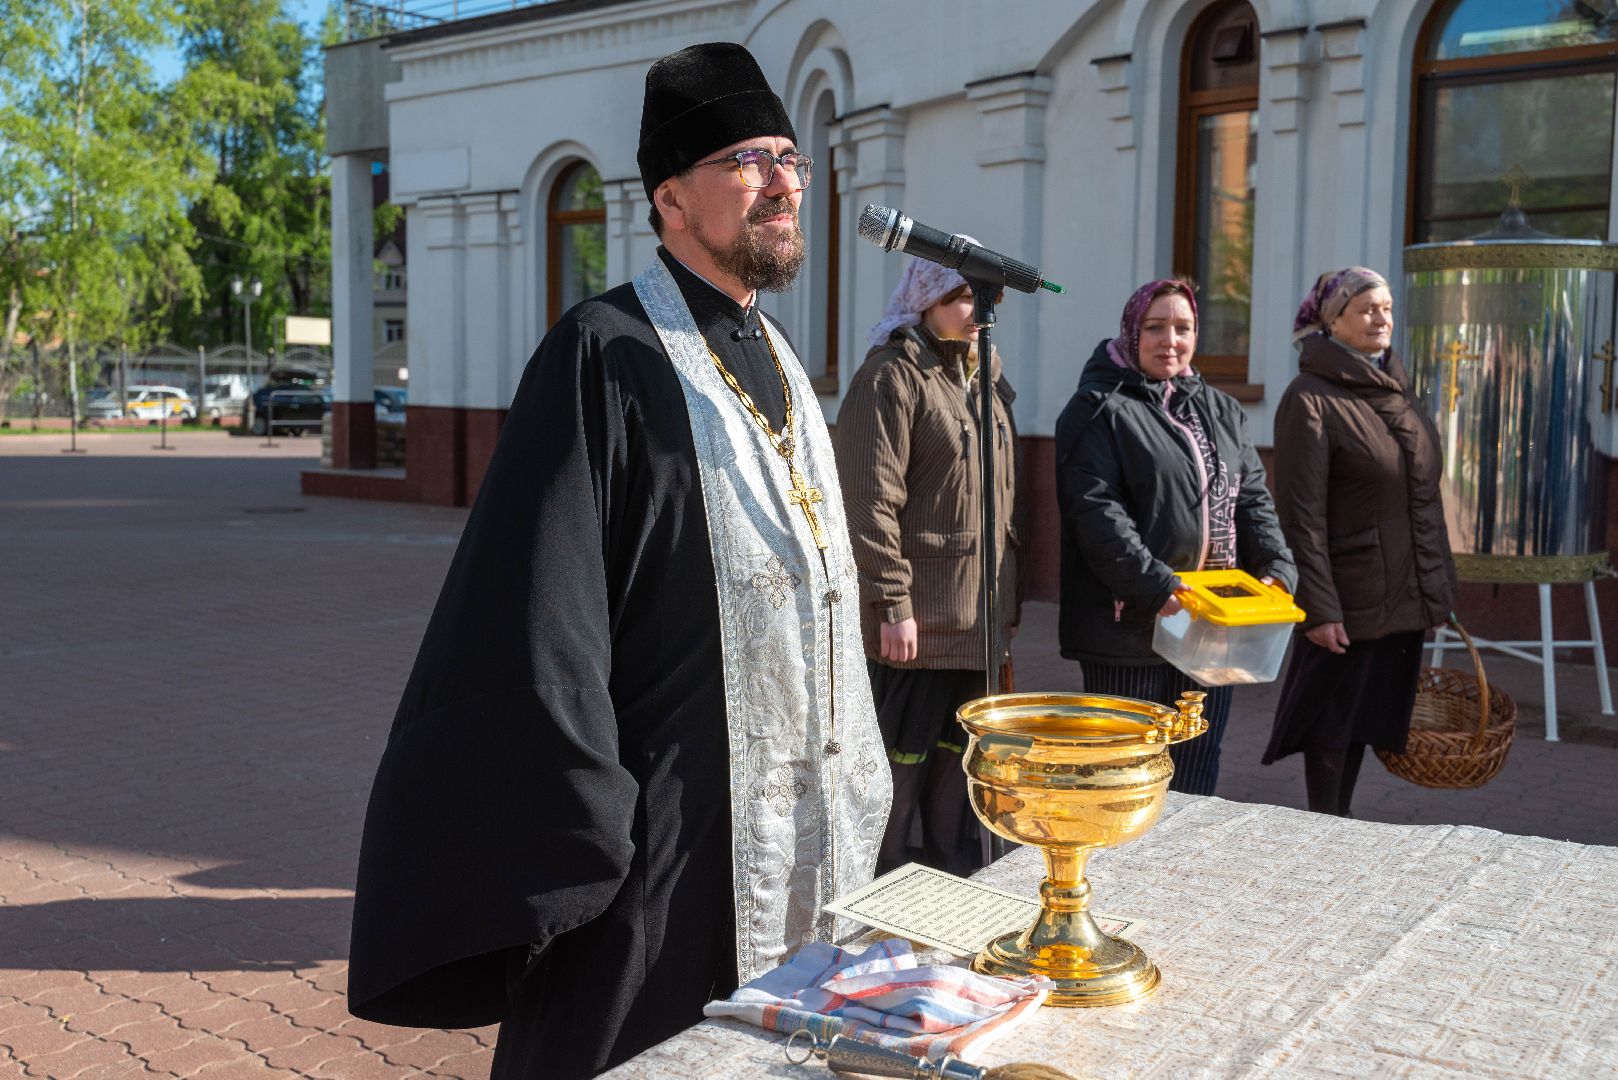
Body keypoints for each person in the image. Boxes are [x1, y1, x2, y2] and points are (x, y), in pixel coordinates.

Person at [346, 42, 891, 1079]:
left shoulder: (778, 358)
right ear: (671, 199)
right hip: (667, 852)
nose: (781, 182)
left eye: (790, 158)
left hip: (803, 838)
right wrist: (601, 834)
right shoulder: (598, 354)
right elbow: (534, 625)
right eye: (746, 160)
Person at [1054, 279, 1295, 794]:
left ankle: (1180, 874)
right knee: (1126, 774)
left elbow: (1251, 499)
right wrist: (1154, 586)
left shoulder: (1223, 411)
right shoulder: (1099, 409)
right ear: (1130, 331)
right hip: (1131, 625)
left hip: (1210, 626)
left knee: (1197, 765)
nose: (1170, 340)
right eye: (1155, 327)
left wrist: (1277, 567)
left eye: (1182, 328)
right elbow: (1096, 513)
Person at [833, 258, 1020, 878]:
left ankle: (950, 878)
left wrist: (1005, 608)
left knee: (959, 761)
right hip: (919, 623)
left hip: (979, 621)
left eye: (983, 297)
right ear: (925, 301)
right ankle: (881, 889)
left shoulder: (985, 378)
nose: (977, 311)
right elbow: (868, 500)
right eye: (962, 296)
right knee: (897, 767)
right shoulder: (892, 376)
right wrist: (891, 601)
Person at [1263, 267, 1456, 816]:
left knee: (1369, 717)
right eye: (1367, 308)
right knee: (1330, 724)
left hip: (1399, 592)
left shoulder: (1394, 387)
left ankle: (1339, 827)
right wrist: (1319, 609)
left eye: (1388, 308)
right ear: (1332, 321)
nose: (1381, 318)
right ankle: (1326, 831)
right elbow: (1301, 516)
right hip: (1345, 599)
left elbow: (1423, 497)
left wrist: (1434, 589)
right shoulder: (1310, 398)